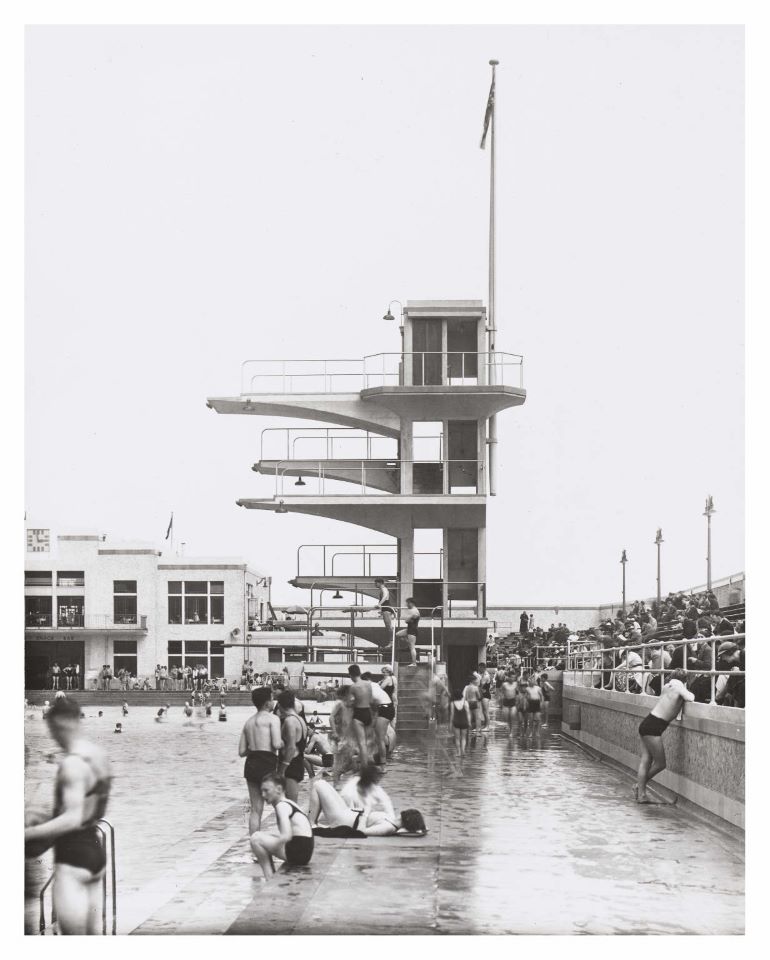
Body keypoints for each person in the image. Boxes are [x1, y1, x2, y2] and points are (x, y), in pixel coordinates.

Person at [24, 697, 112, 935]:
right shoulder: (98, 755)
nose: (54, 738)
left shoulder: (72, 764)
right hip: (96, 855)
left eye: (52, 731)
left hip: (72, 859)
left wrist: (26, 834)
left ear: (61, 724)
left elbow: (72, 819)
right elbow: (89, 809)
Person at [635, 668, 694, 803]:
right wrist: (686, 689)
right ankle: (639, 787)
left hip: (647, 722)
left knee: (646, 761)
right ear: (685, 680)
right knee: (660, 764)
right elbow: (691, 698)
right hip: (654, 727)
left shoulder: (666, 686)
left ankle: (641, 794)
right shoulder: (679, 688)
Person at [309, 778, 426, 837]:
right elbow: (421, 829)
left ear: (406, 817)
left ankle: (311, 824)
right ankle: (313, 820)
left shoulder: (388, 828)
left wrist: (365, 813)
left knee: (318, 785)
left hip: (341, 819)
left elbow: (361, 832)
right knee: (324, 783)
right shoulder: (391, 820)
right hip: (347, 812)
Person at [250, 773, 314, 880]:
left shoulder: (281, 806)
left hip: (298, 853)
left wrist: (270, 848)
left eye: (266, 790)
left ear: (279, 789)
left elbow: (286, 835)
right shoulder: (289, 803)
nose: (263, 795)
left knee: (255, 838)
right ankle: (271, 875)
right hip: (305, 851)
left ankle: (269, 878)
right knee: (264, 837)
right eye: (262, 791)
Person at [239, 687, 282, 833]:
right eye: (272, 699)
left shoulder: (248, 722)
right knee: (279, 805)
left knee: (256, 810)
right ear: (266, 703)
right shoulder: (273, 719)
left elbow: (241, 751)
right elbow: (276, 744)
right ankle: (286, 839)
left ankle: (254, 844)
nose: (273, 701)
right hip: (267, 763)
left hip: (251, 763)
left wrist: (255, 746)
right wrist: (284, 743)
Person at [277, 690, 308, 802]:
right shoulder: (300, 720)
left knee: (290, 805)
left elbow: (291, 747)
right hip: (297, 764)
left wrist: (281, 770)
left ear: (280, 705)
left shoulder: (290, 721)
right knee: (289, 804)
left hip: (290, 766)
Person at [346, 664, 373, 767]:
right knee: (367, 741)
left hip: (359, 714)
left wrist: (352, 703)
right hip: (368, 713)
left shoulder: (353, 687)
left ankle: (364, 767)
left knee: (361, 743)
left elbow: (349, 703)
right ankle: (369, 763)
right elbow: (370, 700)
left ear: (351, 675)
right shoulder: (368, 684)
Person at [396, 597, 420, 667]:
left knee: (412, 647)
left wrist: (410, 617)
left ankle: (414, 663)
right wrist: (409, 618)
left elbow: (407, 621)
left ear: (411, 603)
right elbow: (407, 620)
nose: (406, 605)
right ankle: (408, 644)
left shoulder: (415, 611)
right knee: (397, 634)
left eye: (407, 603)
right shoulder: (412, 610)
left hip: (412, 630)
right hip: (409, 629)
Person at [450, 688, 471, 757]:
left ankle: (458, 752)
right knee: (464, 738)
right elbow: (468, 713)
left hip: (456, 722)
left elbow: (452, 714)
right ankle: (463, 751)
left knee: (457, 738)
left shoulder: (452, 703)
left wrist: (450, 724)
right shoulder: (465, 702)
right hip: (464, 722)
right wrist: (469, 722)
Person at [500, 674, 519, 738]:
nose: (513, 679)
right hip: (506, 701)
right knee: (506, 717)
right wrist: (501, 700)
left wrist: (518, 700)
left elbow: (517, 692)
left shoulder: (516, 684)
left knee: (512, 716)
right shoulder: (504, 684)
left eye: (514, 677)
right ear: (509, 677)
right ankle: (509, 726)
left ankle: (511, 731)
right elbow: (501, 692)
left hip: (513, 701)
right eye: (511, 677)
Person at [478, 664, 492, 728]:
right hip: (483, 694)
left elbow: (481, 685)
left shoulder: (486, 676)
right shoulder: (481, 674)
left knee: (486, 711)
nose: (479, 669)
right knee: (484, 711)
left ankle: (487, 726)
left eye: (480, 668)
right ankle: (485, 725)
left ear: (483, 668)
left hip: (486, 695)